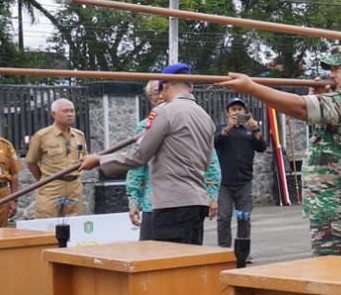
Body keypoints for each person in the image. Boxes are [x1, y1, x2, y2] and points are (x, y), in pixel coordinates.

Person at [225, 48, 341, 257]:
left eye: (338, 68)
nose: (332, 74)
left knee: (338, 275)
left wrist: (252, 88)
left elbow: (300, 109)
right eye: (330, 69)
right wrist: (322, 99)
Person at [82, 65, 216, 246]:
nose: (160, 97)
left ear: (166, 85)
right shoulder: (204, 116)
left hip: (172, 204)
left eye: (160, 91)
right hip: (197, 202)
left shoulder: (164, 112)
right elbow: (206, 162)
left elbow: (138, 156)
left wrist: (99, 160)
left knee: (168, 266)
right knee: (188, 264)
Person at [125, 80, 222, 240]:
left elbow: (210, 162)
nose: (160, 96)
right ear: (150, 98)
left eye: (162, 91)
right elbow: (137, 166)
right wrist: (133, 200)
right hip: (153, 202)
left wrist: (212, 196)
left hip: (186, 200)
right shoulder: (144, 127)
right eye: (155, 94)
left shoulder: (192, 119)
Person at [213, 98, 267, 249]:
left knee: (244, 217)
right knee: (223, 217)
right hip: (224, 182)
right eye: (233, 109)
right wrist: (228, 128)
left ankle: (243, 251)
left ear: (245, 112)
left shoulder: (249, 131)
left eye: (240, 109)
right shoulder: (220, 128)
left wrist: (256, 130)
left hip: (244, 181)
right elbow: (213, 143)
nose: (237, 112)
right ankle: (223, 250)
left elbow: (261, 147)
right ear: (227, 113)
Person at [23, 97, 87, 218]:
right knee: (47, 223)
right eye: (65, 111)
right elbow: (31, 162)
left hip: (74, 186)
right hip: (51, 186)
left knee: (74, 224)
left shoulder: (79, 135)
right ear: (54, 114)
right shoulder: (42, 136)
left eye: (72, 111)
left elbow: (84, 158)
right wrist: (45, 179)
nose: (70, 114)